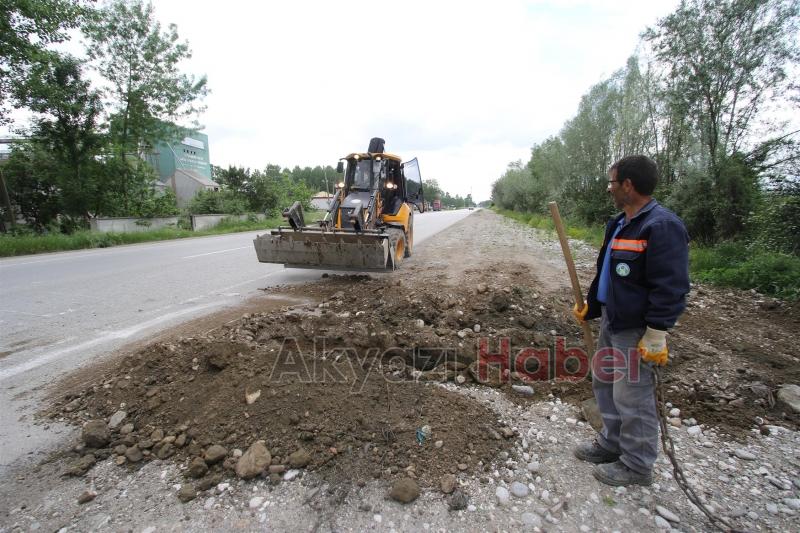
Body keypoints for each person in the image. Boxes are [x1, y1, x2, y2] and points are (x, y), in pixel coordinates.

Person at [572, 155, 690, 487]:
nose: (609, 189)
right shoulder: (621, 222)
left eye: (612, 182)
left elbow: (672, 285)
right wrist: (593, 306)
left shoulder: (661, 226)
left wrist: (657, 331)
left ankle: (637, 465)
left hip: (637, 328)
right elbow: (609, 272)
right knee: (605, 383)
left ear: (628, 185)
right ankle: (612, 443)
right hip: (614, 318)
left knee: (632, 395)